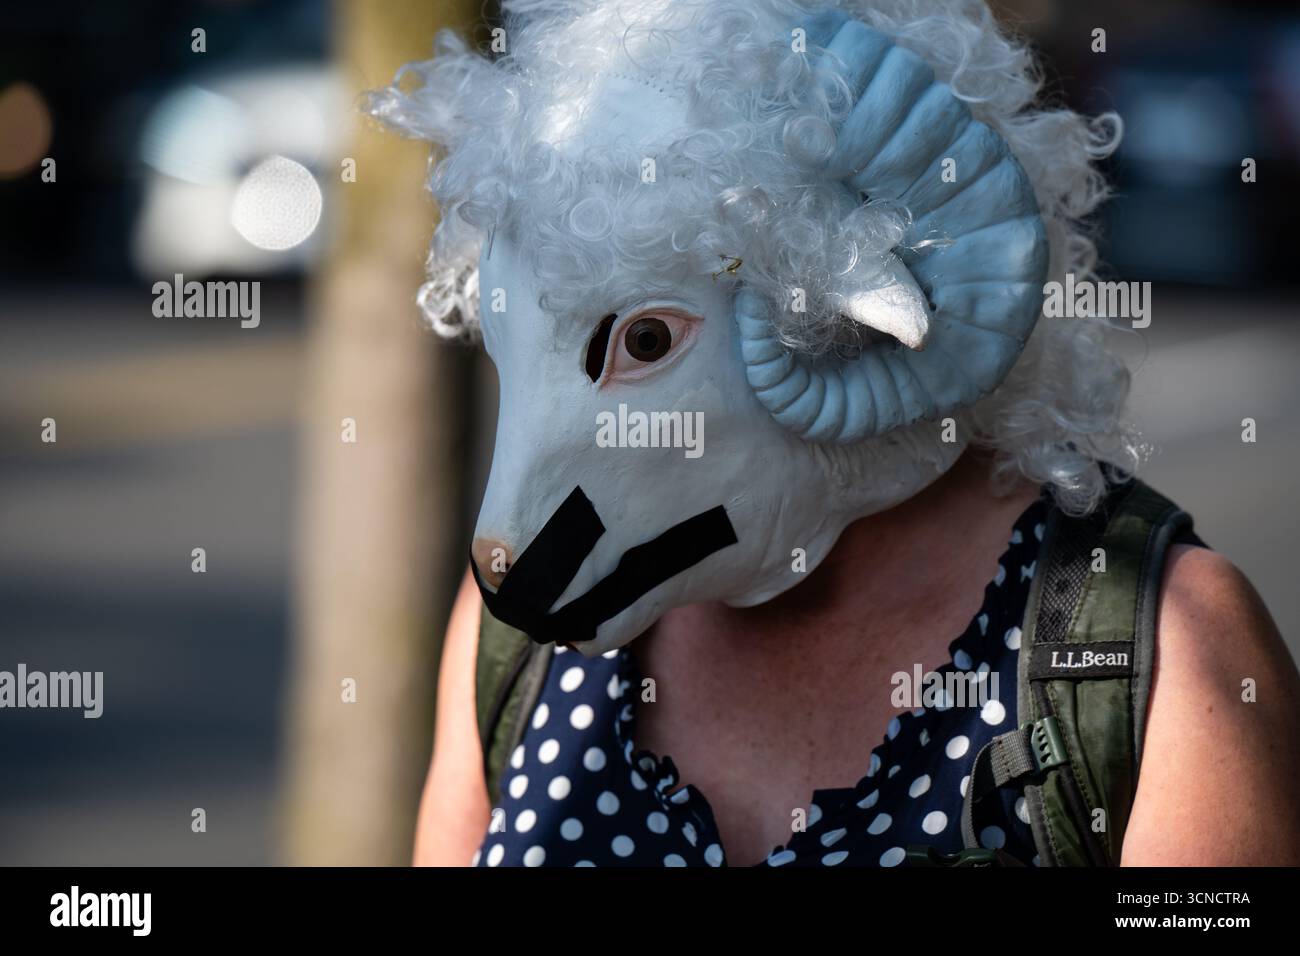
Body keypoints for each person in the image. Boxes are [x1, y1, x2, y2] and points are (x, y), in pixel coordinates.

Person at [365, 0, 1300, 866]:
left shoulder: (1163, 653)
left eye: (648, 339)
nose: (503, 553)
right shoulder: (522, 650)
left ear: (838, 304)